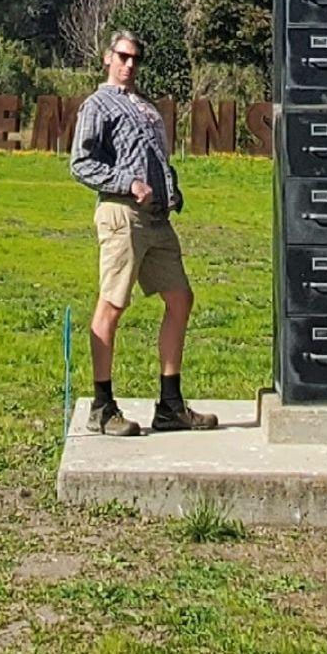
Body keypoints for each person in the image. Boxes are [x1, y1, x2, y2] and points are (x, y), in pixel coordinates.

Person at [69, 30, 217, 436]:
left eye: (136, 58)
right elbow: (80, 163)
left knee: (180, 298)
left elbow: (154, 158)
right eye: (123, 56)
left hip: (157, 220)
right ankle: (102, 406)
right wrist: (126, 182)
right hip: (122, 215)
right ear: (107, 58)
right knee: (113, 305)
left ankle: (170, 405)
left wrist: (171, 187)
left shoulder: (145, 107)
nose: (129, 64)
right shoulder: (97, 105)